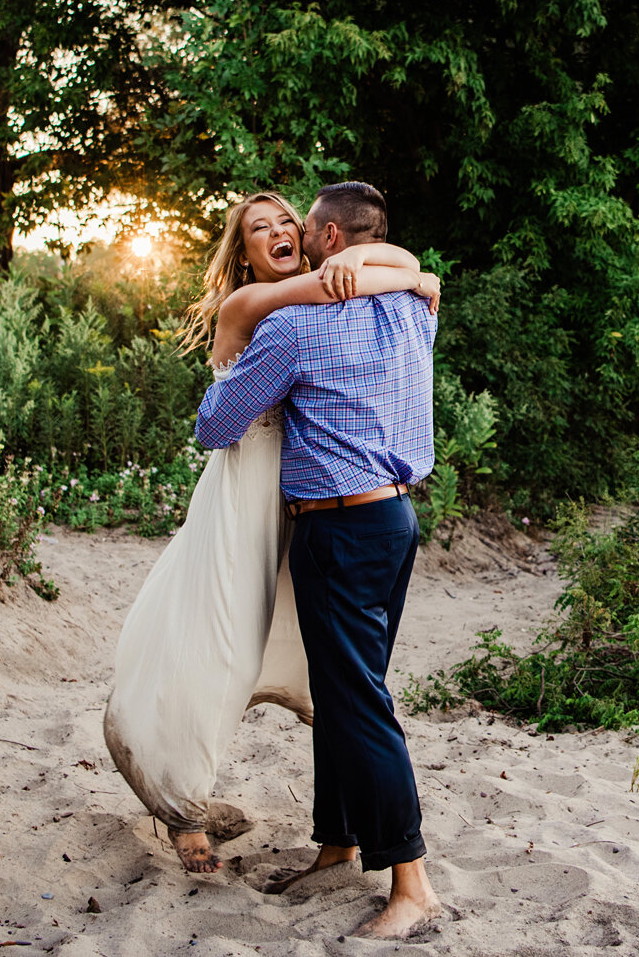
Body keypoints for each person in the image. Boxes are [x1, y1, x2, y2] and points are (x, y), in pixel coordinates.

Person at [102, 191, 440, 875]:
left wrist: (400, 269)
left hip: (314, 507)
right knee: (224, 651)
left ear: (319, 235)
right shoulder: (270, 308)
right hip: (259, 500)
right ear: (243, 249)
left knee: (343, 689)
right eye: (261, 229)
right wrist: (413, 274)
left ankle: (347, 841)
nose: (280, 232)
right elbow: (214, 426)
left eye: (289, 222)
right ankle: (187, 808)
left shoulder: (322, 308)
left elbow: (388, 267)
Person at [194, 181, 445, 940]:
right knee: (344, 692)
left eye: (302, 228)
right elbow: (415, 273)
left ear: (331, 239)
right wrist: (409, 270)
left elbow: (216, 424)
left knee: (359, 702)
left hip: (336, 531)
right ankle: (337, 842)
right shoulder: (413, 308)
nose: (294, 237)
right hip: (398, 519)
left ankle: (411, 882)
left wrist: (226, 357)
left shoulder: (295, 327)